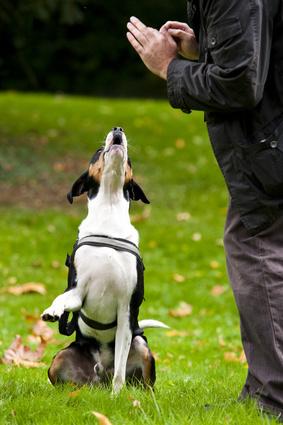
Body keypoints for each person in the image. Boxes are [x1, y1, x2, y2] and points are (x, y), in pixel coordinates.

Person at [127, 0, 283, 419]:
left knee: (257, 247)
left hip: (270, 149)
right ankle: (263, 389)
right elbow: (259, 53)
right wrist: (207, 49)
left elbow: (240, 84)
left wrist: (170, 68)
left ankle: (273, 398)